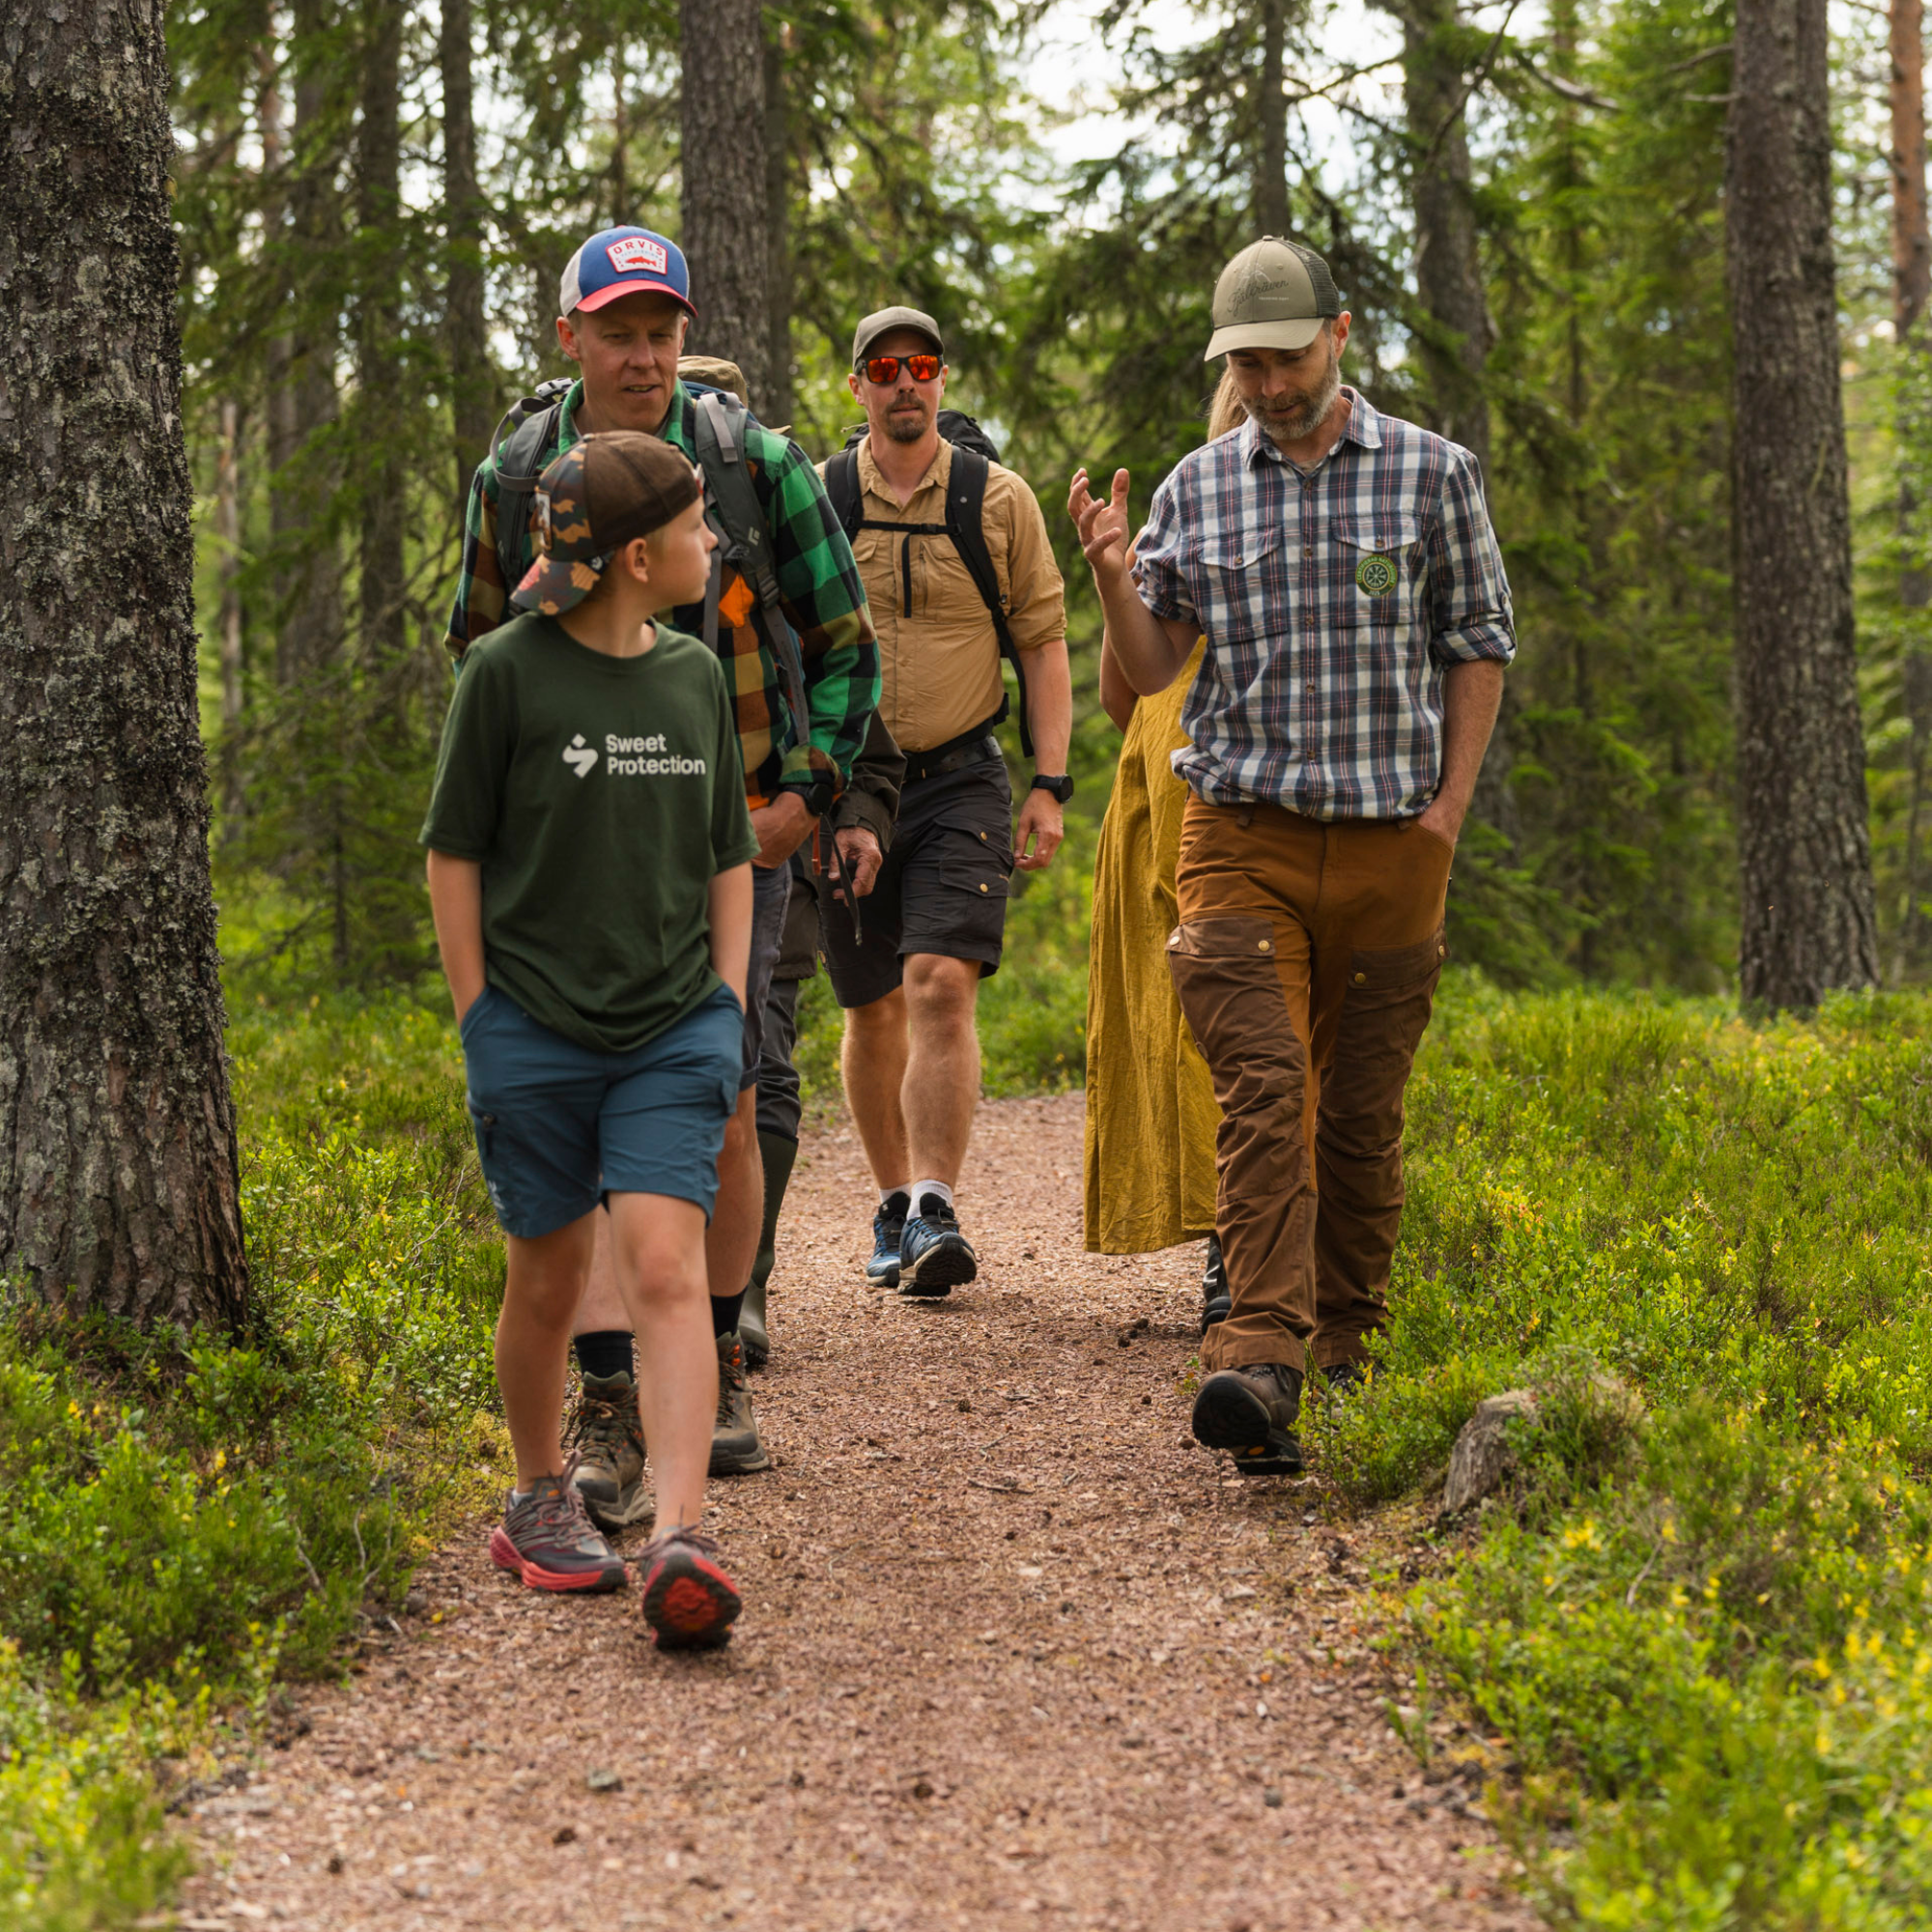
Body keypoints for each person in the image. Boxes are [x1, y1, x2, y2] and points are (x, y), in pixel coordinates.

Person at [442, 228, 881, 1521]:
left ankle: (722, 1350)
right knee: (577, 1132)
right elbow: (478, 651)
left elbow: (844, 639)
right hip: (566, 864)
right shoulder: (520, 474)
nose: (644, 355)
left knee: (730, 1102)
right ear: (569, 335)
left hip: (732, 845)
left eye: (663, 330)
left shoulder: (755, 466)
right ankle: (605, 1393)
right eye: (619, 330)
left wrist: (806, 795)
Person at [1068, 237, 1515, 1473]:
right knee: (1266, 1091)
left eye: (1279, 356)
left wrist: (1444, 820)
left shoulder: (1432, 475)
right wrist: (1111, 578)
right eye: (1243, 363)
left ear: (1338, 334)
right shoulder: (1197, 488)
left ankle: (1346, 1350)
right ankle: (1256, 1353)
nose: (1263, 383)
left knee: (1358, 1118)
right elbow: (1149, 674)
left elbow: (1477, 639)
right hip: (1239, 836)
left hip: (1388, 840)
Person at [423, 430, 756, 1648]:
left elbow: (728, 853)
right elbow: (452, 852)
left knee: (667, 1267)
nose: (709, 541)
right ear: (632, 555)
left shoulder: (692, 677)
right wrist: (481, 1022)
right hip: (534, 1031)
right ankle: (534, 1492)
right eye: (693, 524)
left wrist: (722, 1008)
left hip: (670, 1028)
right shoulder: (504, 675)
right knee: (552, 1280)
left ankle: (681, 1533)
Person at [814, 306, 1073, 1296]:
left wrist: (1047, 783)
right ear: (858, 388)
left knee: (936, 982)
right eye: (883, 369)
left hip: (963, 772)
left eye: (918, 365)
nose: (903, 383)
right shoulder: (825, 495)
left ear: (940, 374)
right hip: (848, 786)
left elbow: (1042, 642)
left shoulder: (997, 500)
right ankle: (891, 1208)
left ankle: (932, 1203)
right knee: (872, 1007)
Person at [1083, 373, 1244, 1332]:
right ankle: (1229, 1236)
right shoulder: (1176, 528)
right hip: (1159, 790)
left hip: (1249, 788)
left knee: (1240, 1015)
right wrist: (1114, 572)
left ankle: (1249, 1239)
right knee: (1179, 1017)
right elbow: (1124, 696)